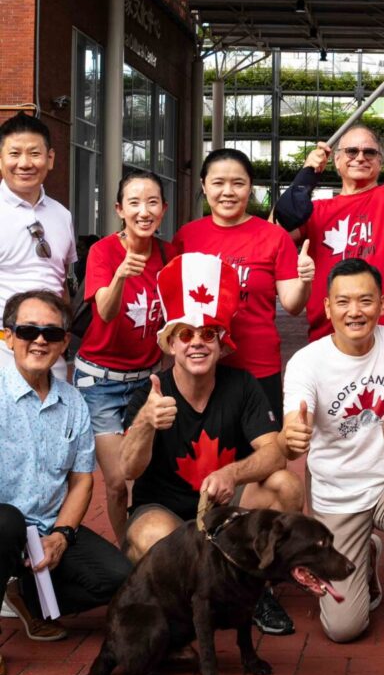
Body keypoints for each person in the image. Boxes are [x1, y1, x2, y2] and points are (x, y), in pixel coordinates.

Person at [120, 253, 304, 637]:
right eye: (186, 334)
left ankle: (256, 587)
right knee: (150, 534)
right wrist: (146, 423)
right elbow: (129, 470)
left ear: (221, 343)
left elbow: (274, 453)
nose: (197, 344)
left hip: (227, 513)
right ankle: (188, 606)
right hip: (167, 514)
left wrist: (232, 473)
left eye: (208, 334)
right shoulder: (151, 394)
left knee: (285, 485)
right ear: (171, 344)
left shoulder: (242, 385)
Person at [282, 258, 384, 653]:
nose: (355, 311)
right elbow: (296, 422)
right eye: (343, 302)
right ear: (327, 307)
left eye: (365, 300)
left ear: (382, 304)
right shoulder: (307, 362)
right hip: (338, 492)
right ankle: (365, 554)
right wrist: (293, 434)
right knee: (343, 629)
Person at [0, 290, 132, 675]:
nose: (40, 340)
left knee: (119, 578)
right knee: (6, 521)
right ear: (8, 336)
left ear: (64, 343)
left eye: (52, 333)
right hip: (2, 526)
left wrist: (61, 535)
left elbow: (81, 481)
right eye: (28, 330)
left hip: (44, 529)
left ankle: (28, 598)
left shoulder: (73, 402)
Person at [273, 43, 384, 340]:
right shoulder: (315, 212)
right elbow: (274, 232)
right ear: (335, 161)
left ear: (381, 161)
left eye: (370, 152)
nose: (360, 157)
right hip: (329, 340)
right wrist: (304, 177)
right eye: (351, 151)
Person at [174, 147, 313, 416]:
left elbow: (293, 305)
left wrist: (305, 280)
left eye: (238, 183)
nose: (228, 192)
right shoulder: (186, 237)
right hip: (200, 367)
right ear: (204, 185)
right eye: (218, 183)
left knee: (264, 441)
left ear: (250, 187)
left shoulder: (274, 237)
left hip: (257, 366)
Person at [73, 171, 173, 540]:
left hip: (147, 380)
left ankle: (150, 542)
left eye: (152, 203)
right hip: (100, 381)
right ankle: (126, 556)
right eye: (134, 203)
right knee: (116, 481)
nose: (143, 211)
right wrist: (120, 276)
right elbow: (106, 311)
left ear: (163, 209)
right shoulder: (103, 251)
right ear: (119, 209)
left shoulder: (169, 254)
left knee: (148, 472)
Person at [0, 113, 76, 380]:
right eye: (14, 153)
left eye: (34, 153)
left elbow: (61, 285)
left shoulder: (62, 215)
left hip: (50, 351)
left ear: (50, 158)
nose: (24, 163)